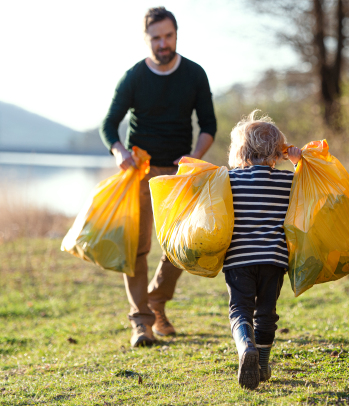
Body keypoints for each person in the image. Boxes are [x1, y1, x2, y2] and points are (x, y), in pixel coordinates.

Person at [99, 7, 217, 348]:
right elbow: (108, 125)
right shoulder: (134, 76)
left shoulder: (195, 74)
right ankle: (142, 324)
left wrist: (195, 157)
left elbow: (208, 125)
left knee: (184, 246)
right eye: (155, 38)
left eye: (167, 36)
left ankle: (156, 300)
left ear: (176, 35)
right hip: (140, 172)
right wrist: (120, 153)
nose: (162, 43)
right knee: (137, 249)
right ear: (147, 39)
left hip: (180, 174)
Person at [223, 110, 301, 389]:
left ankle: (246, 349)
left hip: (238, 259)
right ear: (277, 153)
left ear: (240, 151)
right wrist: (297, 163)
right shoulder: (288, 182)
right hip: (273, 258)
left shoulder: (228, 182)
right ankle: (264, 365)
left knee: (240, 311)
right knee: (266, 313)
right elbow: (309, 191)